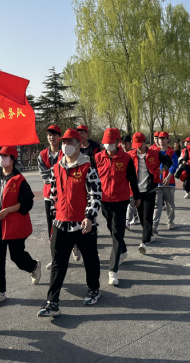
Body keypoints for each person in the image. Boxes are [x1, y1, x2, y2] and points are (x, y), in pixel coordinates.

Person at [38, 129, 102, 318]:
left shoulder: (87, 168)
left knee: (90, 259)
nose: (66, 145)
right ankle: (52, 303)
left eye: (70, 142)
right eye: (64, 142)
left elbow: (95, 194)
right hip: (61, 224)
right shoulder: (56, 168)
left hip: (83, 224)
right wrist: (53, 218)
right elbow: (53, 195)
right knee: (58, 263)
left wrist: (90, 217)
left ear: (78, 144)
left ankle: (94, 289)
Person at [0, 146, 40, 308]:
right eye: (0, 156)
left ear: (12, 159)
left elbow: (27, 203)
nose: (1, 159)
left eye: (5, 156)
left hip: (13, 225)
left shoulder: (19, 180)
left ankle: (33, 266)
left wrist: (8, 210)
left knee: (17, 257)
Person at [96, 128, 140, 286]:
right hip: (104, 200)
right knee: (112, 228)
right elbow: (93, 179)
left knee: (116, 232)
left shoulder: (126, 158)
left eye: (111, 142)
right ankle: (123, 250)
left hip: (121, 200)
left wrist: (137, 197)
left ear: (117, 142)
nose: (108, 145)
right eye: (105, 142)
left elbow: (133, 179)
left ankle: (112, 270)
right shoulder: (97, 158)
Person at [38, 125, 81, 269]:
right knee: (52, 227)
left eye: (55, 135)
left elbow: (71, 168)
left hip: (67, 194)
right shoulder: (42, 155)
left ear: (60, 137)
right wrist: (57, 170)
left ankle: (75, 245)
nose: (51, 137)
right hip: (49, 196)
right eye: (49, 135)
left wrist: (56, 172)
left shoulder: (66, 151)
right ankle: (55, 258)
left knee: (71, 223)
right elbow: (45, 176)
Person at [128, 132, 172, 255]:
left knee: (147, 216)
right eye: (135, 145)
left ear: (145, 142)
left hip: (150, 190)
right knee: (141, 216)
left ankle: (143, 242)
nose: (138, 148)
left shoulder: (154, 153)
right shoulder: (130, 155)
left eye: (140, 144)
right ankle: (149, 236)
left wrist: (161, 171)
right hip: (137, 192)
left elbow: (168, 161)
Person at [153, 131, 179, 231]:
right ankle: (154, 224)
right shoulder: (155, 152)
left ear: (168, 139)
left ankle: (170, 221)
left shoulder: (172, 153)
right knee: (157, 204)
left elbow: (174, 165)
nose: (161, 140)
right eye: (160, 138)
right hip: (158, 183)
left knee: (170, 204)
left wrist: (168, 177)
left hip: (169, 183)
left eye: (164, 138)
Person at [122, 135, 140, 229]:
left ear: (130, 143)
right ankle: (135, 216)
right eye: (122, 144)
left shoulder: (134, 154)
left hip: (133, 180)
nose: (124, 146)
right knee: (129, 202)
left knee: (131, 201)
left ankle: (127, 221)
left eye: (126, 144)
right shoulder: (119, 154)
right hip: (123, 182)